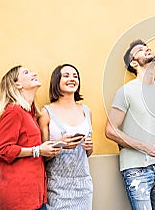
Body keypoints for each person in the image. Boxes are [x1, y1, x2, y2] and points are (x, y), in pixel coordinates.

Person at [105, 39, 155, 210]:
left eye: (147, 47)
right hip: (136, 170)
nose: (147, 49)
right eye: (140, 49)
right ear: (133, 63)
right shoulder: (126, 91)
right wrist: (144, 146)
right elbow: (110, 130)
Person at [0, 65, 59, 210]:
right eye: (26, 72)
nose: (34, 73)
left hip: (36, 196)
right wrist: (37, 150)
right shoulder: (13, 112)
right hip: (20, 199)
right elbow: (1, 149)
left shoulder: (29, 114)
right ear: (17, 84)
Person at [39, 63, 94, 209]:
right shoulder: (46, 112)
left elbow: (88, 153)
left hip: (83, 184)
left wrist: (90, 147)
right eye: (66, 75)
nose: (72, 79)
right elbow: (43, 155)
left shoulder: (86, 111)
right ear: (56, 81)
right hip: (57, 184)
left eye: (75, 76)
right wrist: (61, 144)